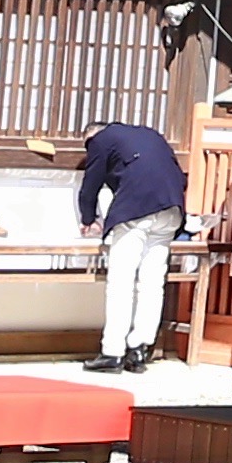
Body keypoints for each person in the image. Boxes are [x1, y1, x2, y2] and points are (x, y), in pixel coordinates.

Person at [75, 117, 185, 373]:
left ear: (93, 135)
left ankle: (112, 352)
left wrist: (88, 218)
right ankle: (140, 349)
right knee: (151, 282)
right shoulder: (150, 134)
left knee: (121, 282)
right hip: (171, 209)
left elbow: (90, 184)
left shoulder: (100, 139)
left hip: (136, 211)